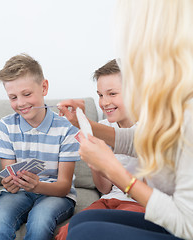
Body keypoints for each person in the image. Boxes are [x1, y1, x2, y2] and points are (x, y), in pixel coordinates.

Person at [58, 0, 193, 239]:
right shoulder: (172, 104)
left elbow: (186, 223)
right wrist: (82, 123)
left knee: (86, 232)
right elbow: (138, 140)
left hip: (184, 225)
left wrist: (111, 168)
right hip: (168, 218)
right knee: (83, 222)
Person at [0, 53, 80, 240]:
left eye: (27, 94)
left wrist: (37, 186)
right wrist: (11, 185)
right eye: (13, 97)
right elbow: (10, 179)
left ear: (44, 87)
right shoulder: (6, 126)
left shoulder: (66, 128)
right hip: (19, 193)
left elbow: (63, 187)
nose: (20, 103)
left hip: (56, 194)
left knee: (40, 222)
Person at [55, 59, 145, 240]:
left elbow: (143, 192)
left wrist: (106, 162)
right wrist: (94, 163)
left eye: (112, 94)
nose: (104, 102)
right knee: (66, 232)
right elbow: (104, 188)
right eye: (100, 95)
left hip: (139, 203)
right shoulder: (102, 126)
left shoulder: (149, 128)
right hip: (108, 200)